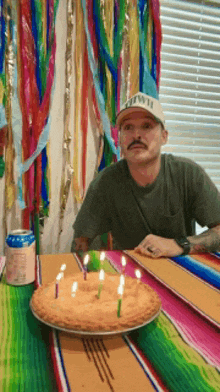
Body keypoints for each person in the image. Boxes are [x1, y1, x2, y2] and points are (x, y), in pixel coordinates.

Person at [71, 92, 220, 258]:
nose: (136, 135)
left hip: (182, 271)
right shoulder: (105, 182)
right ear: (120, 139)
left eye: (147, 126)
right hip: (129, 274)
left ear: (164, 136)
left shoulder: (189, 174)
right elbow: (80, 242)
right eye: (128, 127)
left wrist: (178, 244)